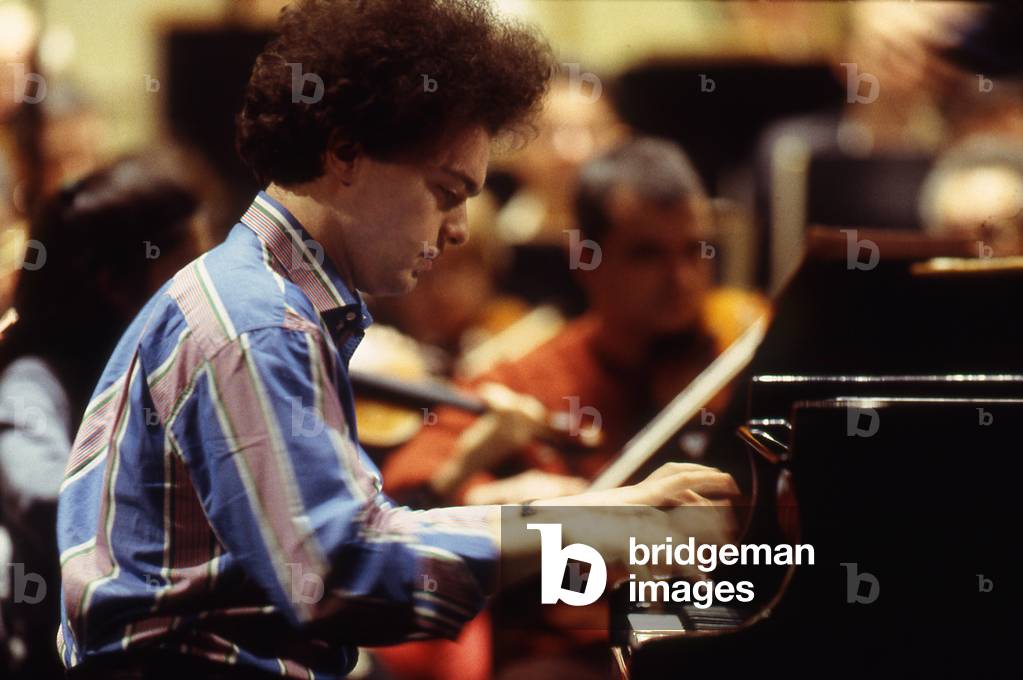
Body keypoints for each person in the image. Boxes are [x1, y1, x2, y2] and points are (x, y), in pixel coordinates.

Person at [56, 2, 739, 679]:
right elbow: (341, 576)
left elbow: (337, 542)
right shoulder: (256, 323)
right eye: (445, 192)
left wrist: (595, 510)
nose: (460, 229)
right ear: (346, 152)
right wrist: (602, 525)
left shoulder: (257, 300)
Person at [383, 137, 767, 508]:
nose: (680, 280)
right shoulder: (531, 381)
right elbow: (410, 479)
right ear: (586, 258)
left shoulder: (745, 337)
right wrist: (492, 499)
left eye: (695, 251)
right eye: (647, 255)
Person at [0, 152, 203, 679]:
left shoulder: (162, 370)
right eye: (188, 272)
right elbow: (41, 490)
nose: (209, 293)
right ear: (116, 285)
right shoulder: (33, 381)